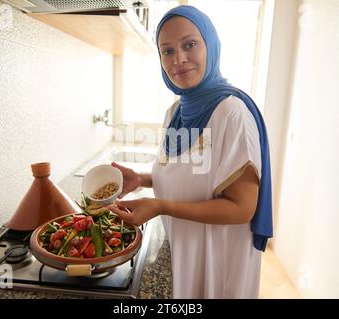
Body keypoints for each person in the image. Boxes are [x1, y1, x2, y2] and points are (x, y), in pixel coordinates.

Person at [107, 5, 273, 299]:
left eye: (189, 44)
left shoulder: (231, 113)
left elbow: (242, 208)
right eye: (167, 51)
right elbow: (195, 172)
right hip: (184, 250)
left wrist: (160, 206)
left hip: (219, 262)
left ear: (211, 45)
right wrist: (143, 179)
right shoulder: (175, 111)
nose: (179, 59)